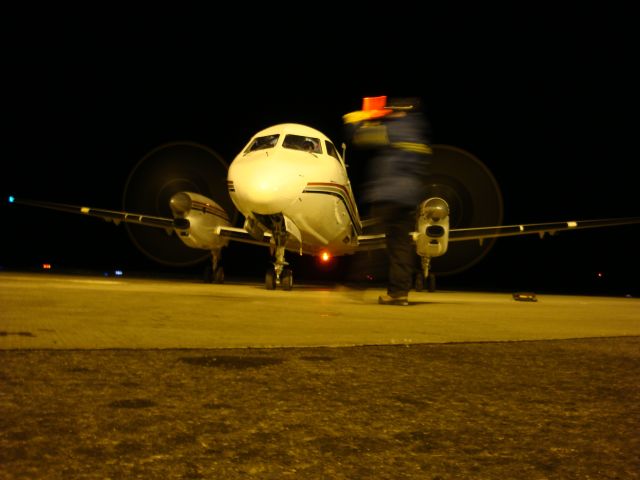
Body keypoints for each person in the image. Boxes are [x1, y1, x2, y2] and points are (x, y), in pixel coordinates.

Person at [343, 96, 432, 305]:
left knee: (372, 239)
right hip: (409, 198)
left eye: (392, 111)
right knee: (401, 246)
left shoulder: (394, 129)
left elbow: (360, 137)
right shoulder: (418, 133)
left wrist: (355, 120)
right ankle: (399, 293)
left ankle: (357, 282)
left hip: (388, 195)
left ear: (400, 112)